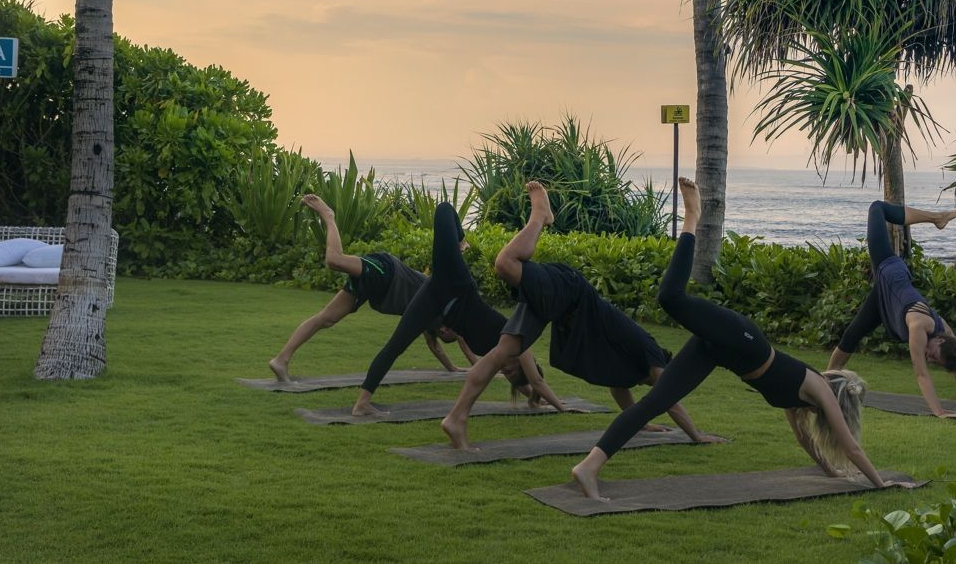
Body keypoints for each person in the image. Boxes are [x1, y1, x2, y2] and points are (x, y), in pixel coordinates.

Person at [569, 178, 914, 500]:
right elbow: (852, 448)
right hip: (746, 341)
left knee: (655, 403)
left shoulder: (803, 406)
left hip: (724, 353)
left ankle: (588, 467)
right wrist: (881, 483)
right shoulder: (819, 389)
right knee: (671, 299)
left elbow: (806, 440)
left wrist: (832, 472)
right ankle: (693, 216)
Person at [440, 182, 716, 450]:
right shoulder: (652, 355)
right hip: (573, 291)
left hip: (560, 310)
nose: (650, 384)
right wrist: (695, 435)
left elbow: (620, 391)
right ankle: (539, 216)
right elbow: (667, 398)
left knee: (502, 352)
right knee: (505, 265)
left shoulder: (627, 367)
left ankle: (456, 418)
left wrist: (641, 425)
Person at [351, 200, 561, 416]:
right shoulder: (519, 341)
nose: (506, 371)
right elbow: (535, 379)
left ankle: (361, 405)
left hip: (436, 298)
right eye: (513, 370)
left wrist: (534, 400)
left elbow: (526, 383)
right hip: (455, 283)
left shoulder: (499, 359)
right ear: (523, 363)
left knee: (396, 344)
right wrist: (559, 405)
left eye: (508, 375)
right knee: (443, 209)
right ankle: (462, 240)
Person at [268, 194, 471, 382]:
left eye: (444, 334)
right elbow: (447, 269)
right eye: (449, 331)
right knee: (335, 261)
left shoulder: (428, 322)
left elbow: (434, 346)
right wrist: (482, 365)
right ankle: (329, 216)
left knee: (326, 318)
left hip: (378, 290)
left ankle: (280, 360)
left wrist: (453, 369)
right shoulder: (440, 299)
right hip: (388, 272)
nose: (444, 331)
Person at [826, 200, 956, 418]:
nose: (930, 358)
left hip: (886, 298)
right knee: (877, 208)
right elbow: (922, 375)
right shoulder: (919, 329)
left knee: (851, 335)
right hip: (888, 268)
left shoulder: (946, 335)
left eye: (934, 361)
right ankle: (936, 218)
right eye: (934, 356)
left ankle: (825, 383)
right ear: (938, 341)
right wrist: (939, 412)